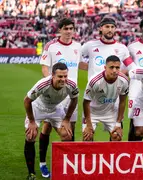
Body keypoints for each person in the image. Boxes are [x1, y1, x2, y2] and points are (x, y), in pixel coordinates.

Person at [38, 17, 85, 178]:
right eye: (65, 28)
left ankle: (68, 165)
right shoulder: (51, 46)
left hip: (72, 94)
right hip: (55, 93)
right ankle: (43, 163)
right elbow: (45, 67)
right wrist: (51, 85)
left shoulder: (78, 46)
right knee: (47, 127)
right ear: (60, 30)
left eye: (71, 28)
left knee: (70, 129)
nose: (69, 31)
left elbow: (80, 65)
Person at [24, 63, 78, 180]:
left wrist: (67, 119)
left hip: (55, 108)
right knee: (30, 135)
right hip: (38, 108)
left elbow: (74, 99)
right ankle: (31, 173)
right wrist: (32, 122)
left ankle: (63, 169)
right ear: (52, 76)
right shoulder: (43, 84)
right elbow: (27, 101)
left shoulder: (72, 84)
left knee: (67, 135)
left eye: (65, 76)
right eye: (60, 76)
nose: (63, 79)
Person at [82, 55, 129, 141]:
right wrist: (89, 124)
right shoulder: (95, 81)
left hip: (110, 112)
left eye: (117, 67)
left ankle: (111, 154)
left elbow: (122, 102)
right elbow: (86, 102)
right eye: (111, 67)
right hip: (93, 112)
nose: (114, 70)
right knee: (87, 137)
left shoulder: (124, 80)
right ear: (105, 68)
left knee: (117, 137)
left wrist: (118, 124)